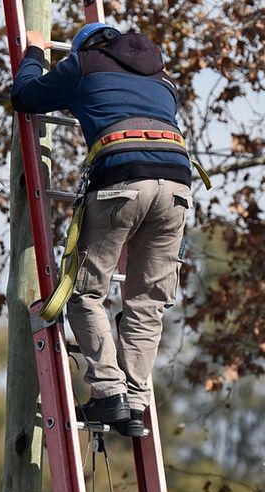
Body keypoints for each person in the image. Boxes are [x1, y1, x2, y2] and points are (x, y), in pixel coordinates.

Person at [12, 22, 192, 437]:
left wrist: (36, 52)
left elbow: (24, 97)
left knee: (85, 291)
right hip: (177, 187)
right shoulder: (163, 81)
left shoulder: (82, 65)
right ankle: (135, 402)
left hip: (122, 179)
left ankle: (109, 394)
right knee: (148, 302)